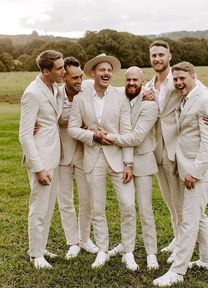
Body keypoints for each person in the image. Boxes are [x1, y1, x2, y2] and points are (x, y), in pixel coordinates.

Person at [144, 40, 208, 255]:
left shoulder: (177, 80)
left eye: (161, 54)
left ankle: (184, 246)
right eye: (154, 55)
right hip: (159, 150)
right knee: (171, 203)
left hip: (179, 151)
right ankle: (177, 239)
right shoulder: (148, 86)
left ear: (169, 56)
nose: (157, 59)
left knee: (183, 204)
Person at [153, 61, 208, 286]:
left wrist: (194, 172)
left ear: (194, 76)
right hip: (187, 166)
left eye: (183, 78)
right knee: (198, 216)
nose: (179, 82)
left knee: (189, 220)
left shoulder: (205, 99)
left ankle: (177, 272)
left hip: (200, 170)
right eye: (176, 79)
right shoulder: (185, 96)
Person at [68, 54, 137, 270]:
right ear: (93, 74)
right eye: (101, 70)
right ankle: (102, 250)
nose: (106, 73)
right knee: (97, 207)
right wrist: (93, 136)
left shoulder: (120, 96)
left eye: (109, 70)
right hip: (92, 157)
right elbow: (72, 128)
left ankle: (128, 251)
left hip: (118, 158)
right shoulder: (81, 98)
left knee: (127, 205)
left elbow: (126, 131)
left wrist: (128, 163)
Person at [107, 66, 159, 269]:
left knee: (145, 210)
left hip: (143, 163)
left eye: (135, 80)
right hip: (123, 163)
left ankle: (151, 253)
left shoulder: (150, 104)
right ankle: (125, 245)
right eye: (128, 80)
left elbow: (137, 137)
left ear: (142, 82)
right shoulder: (120, 95)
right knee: (126, 207)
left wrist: (108, 137)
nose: (131, 83)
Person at [19, 50, 65, 269]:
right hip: (41, 161)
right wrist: (38, 168)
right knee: (39, 207)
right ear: (46, 71)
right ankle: (35, 255)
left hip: (53, 156)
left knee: (48, 208)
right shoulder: (32, 93)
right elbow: (25, 134)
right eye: (59, 68)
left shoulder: (54, 87)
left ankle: (41, 246)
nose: (63, 71)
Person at [57, 57, 98, 259]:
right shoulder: (55, 94)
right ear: (63, 76)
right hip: (61, 153)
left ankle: (85, 239)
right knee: (65, 199)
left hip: (85, 151)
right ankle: (72, 242)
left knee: (87, 198)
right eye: (74, 78)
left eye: (80, 76)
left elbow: (116, 93)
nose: (79, 81)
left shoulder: (89, 87)